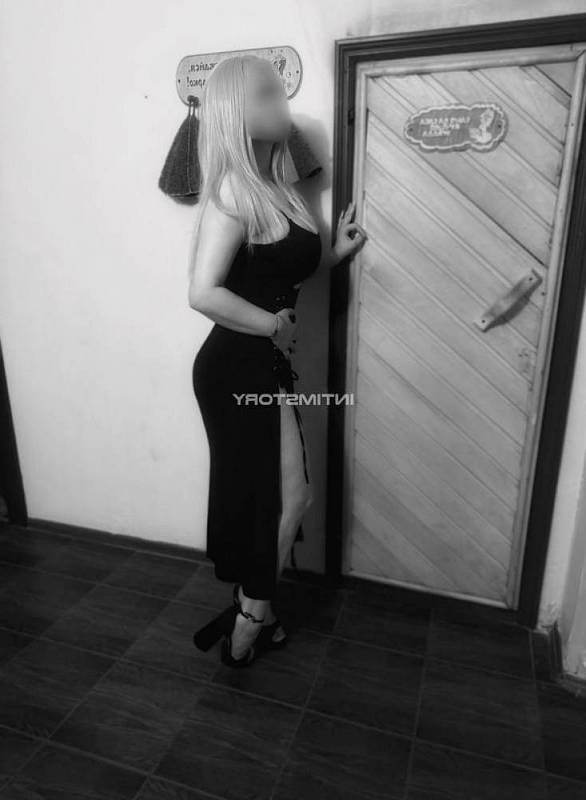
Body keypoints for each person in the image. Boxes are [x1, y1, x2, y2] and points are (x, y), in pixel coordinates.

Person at [188, 54, 367, 667]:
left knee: (281, 498)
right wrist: (272, 325)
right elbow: (202, 293)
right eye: (265, 94)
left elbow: (280, 270)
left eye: (279, 92)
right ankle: (251, 620)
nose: (280, 104)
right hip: (233, 366)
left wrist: (334, 254)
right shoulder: (231, 192)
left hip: (264, 362)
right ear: (234, 111)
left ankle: (253, 608)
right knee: (282, 499)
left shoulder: (279, 189)